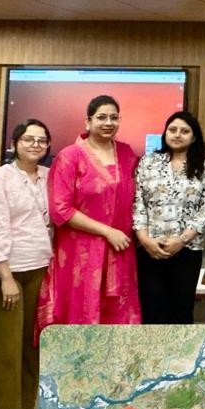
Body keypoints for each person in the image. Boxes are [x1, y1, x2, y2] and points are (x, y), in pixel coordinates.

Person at [34, 95, 142, 340]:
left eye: (114, 117)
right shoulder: (70, 156)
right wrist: (107, 232)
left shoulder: (127, 154)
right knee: (82, 313)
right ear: (88, 121)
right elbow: (61, 209)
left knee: (118, 318)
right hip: (80, 253)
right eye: (101, 117)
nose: (108, 123)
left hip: (120, 249)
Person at [0, 119, 53, 409]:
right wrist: (5, 275)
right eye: (28, 139)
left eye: (42, 140)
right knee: (5, 353)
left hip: (41, 267)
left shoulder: (50, 176)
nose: (35, 144)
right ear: (14, 144)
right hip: (4, 273)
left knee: (33, 349)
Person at [133, 110, 205, 324]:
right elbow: (138, 202)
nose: (177, 134)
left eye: (184, 131)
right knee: (152, 310)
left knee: (181, 311)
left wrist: (181, 240)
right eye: (173, 130)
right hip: (151, 249)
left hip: (187, 249)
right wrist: (145, 240)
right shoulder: (148, 162)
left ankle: (180, 350)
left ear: (194, 137)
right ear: (165, 133)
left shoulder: (204, 165)